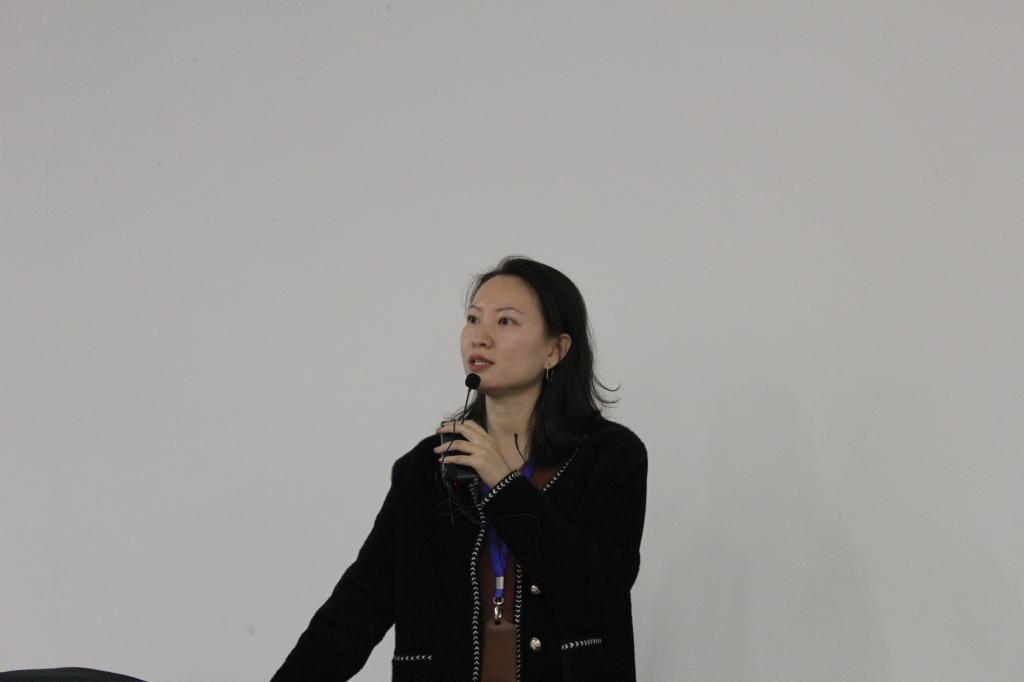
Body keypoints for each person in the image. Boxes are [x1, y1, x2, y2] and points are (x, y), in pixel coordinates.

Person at [271, 256, 647, 682]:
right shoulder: (425, 467)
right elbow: (358, 607)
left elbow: (598, 593)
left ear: (554, 350)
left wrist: (505, 486)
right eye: (473, 319)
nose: (480, 337)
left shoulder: (610, 455)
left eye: (505, 321)